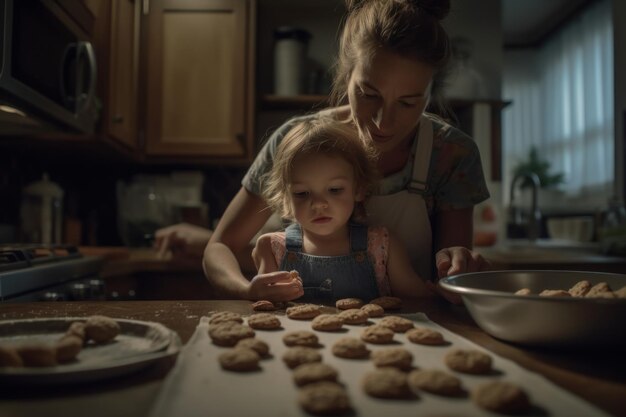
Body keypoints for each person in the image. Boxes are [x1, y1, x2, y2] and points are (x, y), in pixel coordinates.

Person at [196, 0, 491, 302]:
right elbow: (219, 248)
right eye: (368, 94)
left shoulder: (452, 154)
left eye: (408, 102)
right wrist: (246, 289)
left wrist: (457, 270)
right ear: (346, 75)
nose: (383, 122)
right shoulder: (297, 143)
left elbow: (451, 280)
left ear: (431, 93)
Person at [253, 116, 432, 301]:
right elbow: (265, 306)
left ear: (359, 189)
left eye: (334, 190)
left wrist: (446, 292)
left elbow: (419, 301)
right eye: (302, 193)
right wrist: (256, 291)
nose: (318, 204)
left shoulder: (382, 245)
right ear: (285, 199)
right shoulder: (272, 248)